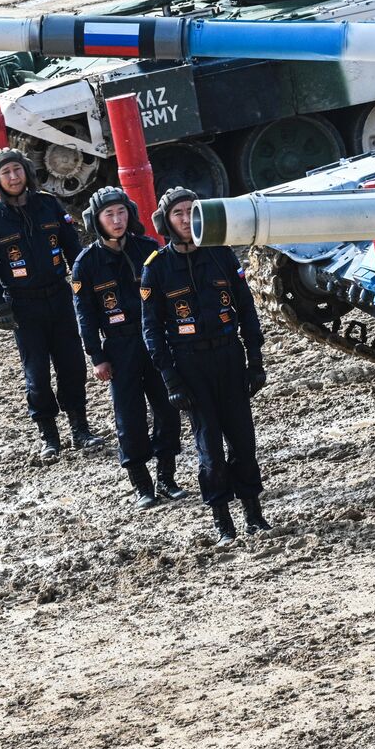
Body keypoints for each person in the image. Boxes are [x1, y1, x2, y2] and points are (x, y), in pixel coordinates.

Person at [140, 188, 268, 545]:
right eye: (178, 213)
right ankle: (222, 521)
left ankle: (254, 515)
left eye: (191, 210)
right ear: (166, 221)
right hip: (189, 365)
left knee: (243, 442)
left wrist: (254, 360)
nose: (185, 218)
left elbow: (247, 310)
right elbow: (152, 331)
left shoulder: (222, 256)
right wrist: (171, 380)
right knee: (209, 449)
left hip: (229, 357)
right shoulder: (156, 269)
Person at [0, 147, 104, 459]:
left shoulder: (49, 206)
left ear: (27, 173)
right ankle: (49, 437)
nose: (14, 177)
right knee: (37, 375)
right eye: (6, 173)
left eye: (17, 170)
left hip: (59, 299)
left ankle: (80, 429)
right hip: (23, 307)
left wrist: (86, 288)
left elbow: (75, 251)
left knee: (72, 366)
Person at [72, 187, 185, 508]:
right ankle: (142, 486)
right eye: (109, 215)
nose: (117, 220)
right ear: (97, 220)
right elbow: (85, 315)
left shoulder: (149, 250)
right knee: (129, 417)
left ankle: (167, 478)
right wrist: (97, 356)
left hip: (156, 343)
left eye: (121, 213)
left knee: (168, 409)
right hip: (119, 349)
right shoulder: (87, 264)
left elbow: (169, 297)